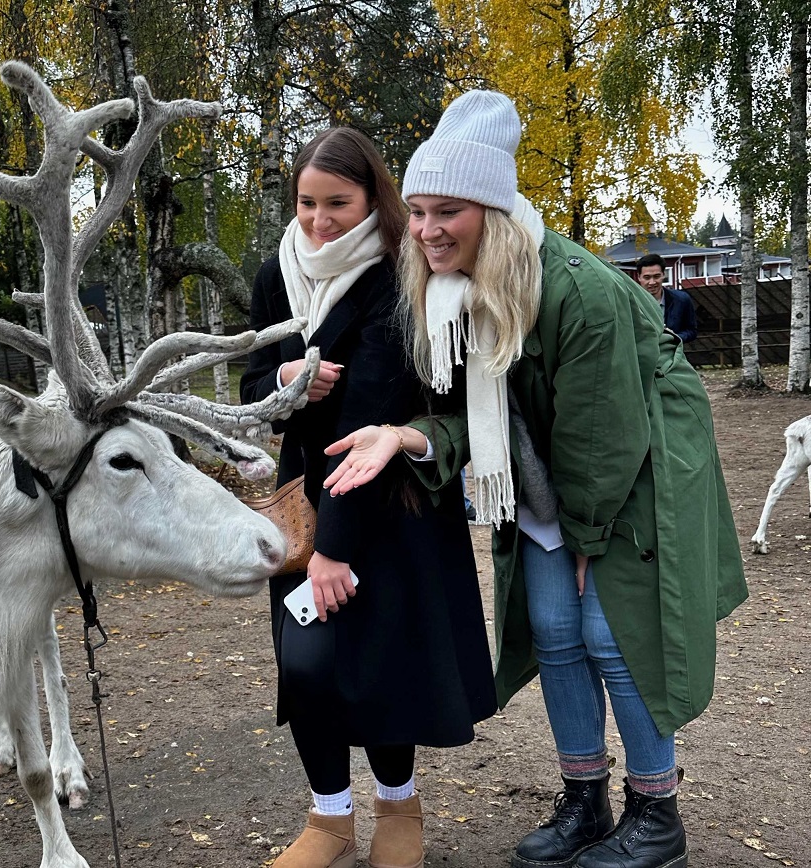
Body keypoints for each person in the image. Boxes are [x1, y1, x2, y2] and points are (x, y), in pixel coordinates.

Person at [322, 92, 747, 868]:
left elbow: (604, 435)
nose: (425, 230)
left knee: (610, 633)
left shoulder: (576, 289)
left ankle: (658, 813)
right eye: (416, 211)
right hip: (544, 475)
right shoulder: (446, 293)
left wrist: (587, 540)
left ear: (492, 208)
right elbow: (458, 415)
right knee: (552, 630)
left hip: (638, 468)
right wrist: (401, 433)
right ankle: (585, 800)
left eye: (447, 209)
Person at [240, 126, 497, 868]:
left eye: (338, 204)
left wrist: (334, 550)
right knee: (308, 665)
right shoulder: (274, 275)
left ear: (371, 198)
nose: (319, 220)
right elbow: (252, 385)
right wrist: (285, 383)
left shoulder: (398, 273)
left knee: (383, 661)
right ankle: (328, 819)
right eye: (307, 202)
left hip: (389, 506)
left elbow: (370, 411)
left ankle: (398, 805)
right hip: (301, 500)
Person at [635, 253, 698, 343]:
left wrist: (675, 338)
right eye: (647, 277)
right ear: (639, 277)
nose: (652, 282)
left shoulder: (681, 300)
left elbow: (692, 331)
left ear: (663, 275)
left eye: (656, 276)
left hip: (672, 354)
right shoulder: (631, 303)